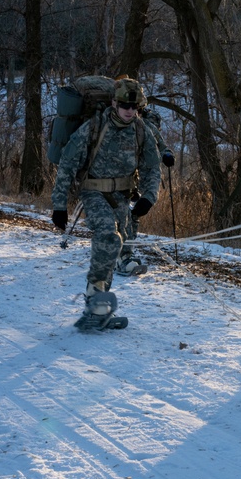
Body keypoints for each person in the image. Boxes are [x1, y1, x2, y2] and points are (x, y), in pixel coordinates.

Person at [51, 77, 160, 328]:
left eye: (134, 107)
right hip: (93, 192)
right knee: (109, 237)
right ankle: (95, 299)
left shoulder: (141, 130)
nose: (129, 111)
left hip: (122, 195)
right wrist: (59, 206)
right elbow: (67, 164)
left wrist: (148, 197)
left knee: (115, 246)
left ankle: (99, 301)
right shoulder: (93, 127)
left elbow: (152, 168)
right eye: (124, 105)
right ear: (114, 102)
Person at [117, 100, 175, 276]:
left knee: (131, 216)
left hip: (132, 179)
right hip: (122, 179)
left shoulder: (144, 128)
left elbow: (161, 149)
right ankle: (123, 256)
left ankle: (125, 252)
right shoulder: (145, 127)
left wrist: (167, 154)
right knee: (126, 215)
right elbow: (162, 148)